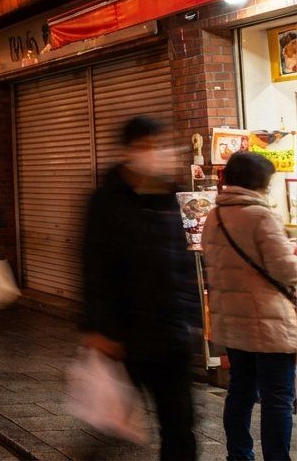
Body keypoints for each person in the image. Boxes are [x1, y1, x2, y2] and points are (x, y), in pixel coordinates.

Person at [82, 116, 198, 461]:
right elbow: (93, 266)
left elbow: (185, 261)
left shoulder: (173, 196)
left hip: (171, 335)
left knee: (180, 428)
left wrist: (192, 318)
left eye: (161, 146)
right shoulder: (105, 201)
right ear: (129, 151)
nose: (157, 154)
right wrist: (97, 329)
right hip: (122, 338)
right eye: (148, 146)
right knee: (111, 428)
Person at [202, 151, 297, 461]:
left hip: (234, 324)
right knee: (278, 398)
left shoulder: (214, 216)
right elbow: (285, 270)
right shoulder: (261, 215)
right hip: (269, 326)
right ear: (260, 182)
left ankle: (239, 455)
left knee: (241, 392)